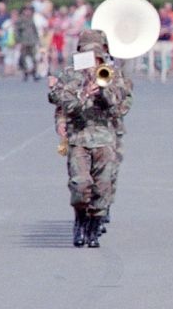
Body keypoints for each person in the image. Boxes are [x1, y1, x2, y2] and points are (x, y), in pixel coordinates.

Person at [49, 29, 133, 247]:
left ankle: (94, 227)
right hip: (79, 138)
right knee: (79, 185)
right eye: (88, 53)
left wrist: (102, 91)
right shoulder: (71, 74)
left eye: (97, 54)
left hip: (105, 138)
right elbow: (56, 97)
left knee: (103, 186)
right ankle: (80, 220)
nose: (93, 58)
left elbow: (120, 107)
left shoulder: (111, 74)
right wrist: (83, 93)